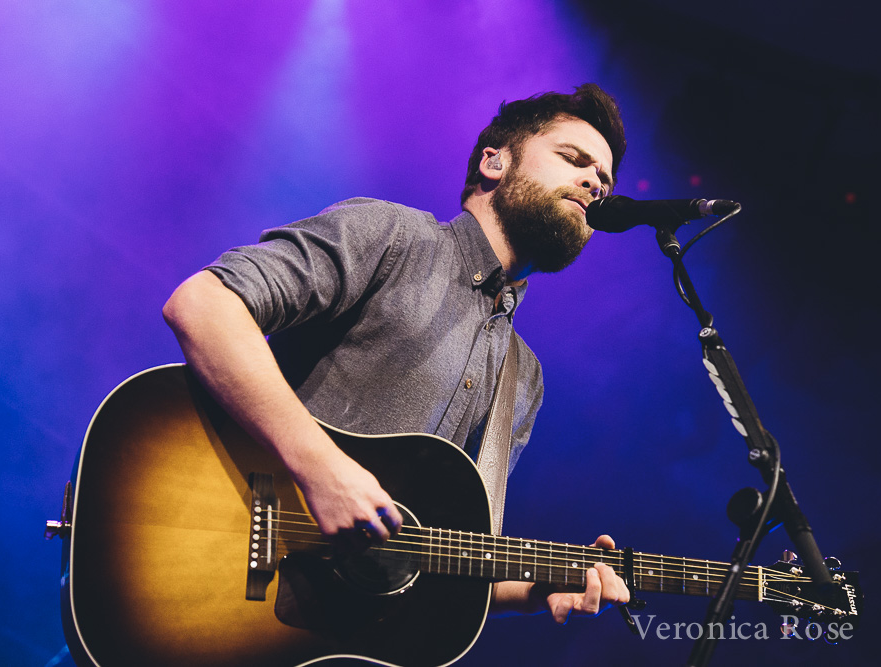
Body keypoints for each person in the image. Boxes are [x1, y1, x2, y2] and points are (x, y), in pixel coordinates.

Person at [163, 84, 631, 625]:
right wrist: (321, 469)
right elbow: (203, 304)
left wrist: (535, 591)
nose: (594, 183)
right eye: (574, 159)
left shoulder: (524, 378)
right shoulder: (391, 236)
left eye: (604, 180)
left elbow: (432, 560)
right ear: (495, 163)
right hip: (209, 544)